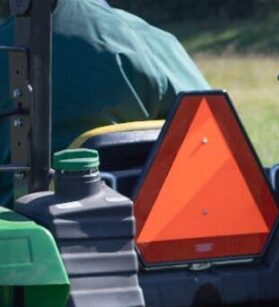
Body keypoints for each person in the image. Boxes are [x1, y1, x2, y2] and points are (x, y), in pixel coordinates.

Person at [0, 0, 209, 205]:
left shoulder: (7, 48)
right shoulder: (151, 42)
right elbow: (210, 139)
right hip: (143, 223)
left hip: (25, 224)